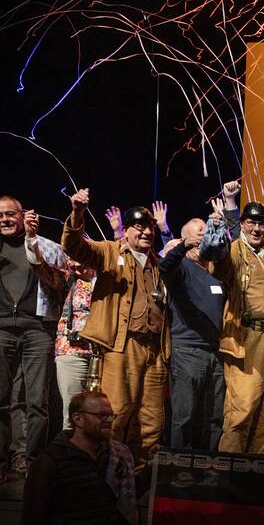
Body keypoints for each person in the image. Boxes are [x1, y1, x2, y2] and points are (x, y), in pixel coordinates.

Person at [62, 190, 169, 471]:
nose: (146, 232)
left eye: (149, 227)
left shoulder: (158, 264)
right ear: (128, 230)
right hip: (123, 347)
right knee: (118, 413)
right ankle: (106, 471)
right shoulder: (110, 251)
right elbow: (75, 247)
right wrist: (77, 213)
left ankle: (140, 474)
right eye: (139, 227)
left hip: (155, 351)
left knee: (152, 419)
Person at [203, 190, 264, 454]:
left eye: (261, 223)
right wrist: (218, 230)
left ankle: (256, 467)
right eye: (251, 223)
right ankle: (228, 469)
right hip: (248, 336)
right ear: (242, 224)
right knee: (243, 407)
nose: (257, 228)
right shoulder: (234, 251)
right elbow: (219, 266)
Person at [0, 197, 63, 482]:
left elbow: (59, 284)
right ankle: (3, 461)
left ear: (24, 216)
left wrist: (33, 243)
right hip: (1, 329)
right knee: (1, 399)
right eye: (0, 215)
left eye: (10, 214)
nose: (4, 219)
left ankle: (34, 462)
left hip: (37, 328)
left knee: (38, 400)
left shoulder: (47, 246)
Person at [159, 218, 227, 451]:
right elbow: (165, 266)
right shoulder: (181, 269)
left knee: (213, 415)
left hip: (215, 353)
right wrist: (184, 245)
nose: (204, 237)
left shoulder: (215, 273)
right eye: (200, 233)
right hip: (188, 351)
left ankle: (207, 468)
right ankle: (178, 471)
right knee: (185, 415)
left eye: (206, 233)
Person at [22, 391, 137, 525]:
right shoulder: (50, 461)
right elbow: (33, 516)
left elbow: (124, 496)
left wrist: (153, 468)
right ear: (77, 418)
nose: (110, 420)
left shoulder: (114, 455)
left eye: (112, 415)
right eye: (101, 416)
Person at [53, 258, 96, 429]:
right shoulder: (66, 279)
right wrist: (31, 240)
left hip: (104, 354)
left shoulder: (106, 280)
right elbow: (39, 265)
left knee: (102, 413)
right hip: (71, 352)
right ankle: (71, 454)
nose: (78, 263)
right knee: (73, 413)